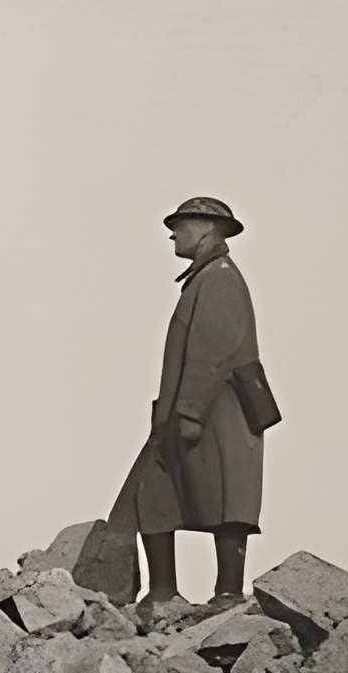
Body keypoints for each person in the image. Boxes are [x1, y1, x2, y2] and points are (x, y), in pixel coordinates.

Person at [111, 195, 275, 607]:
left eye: (180, 226)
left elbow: (211, 352)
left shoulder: (219, 278)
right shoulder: (209, 277)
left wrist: (189, 413)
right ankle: (164, 593)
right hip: (199, 412)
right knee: (157, 493)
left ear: (206, 229)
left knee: (224, 501)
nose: (172, 235)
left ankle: (223, 595)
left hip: (214, 413)